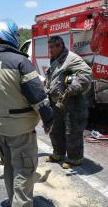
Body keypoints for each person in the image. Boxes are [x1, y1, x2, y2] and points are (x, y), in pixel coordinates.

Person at [0, 20, 54, 207]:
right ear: (9, 36)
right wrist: (49, 120)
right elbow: (38, 97)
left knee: (10, 167)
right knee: (24, 171)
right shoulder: (21, 62)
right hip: (20, 129)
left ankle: (14, 202)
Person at [45, 35, 92, 169]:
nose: (50, 50)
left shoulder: (72, 58)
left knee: (72, 130)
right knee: (56, 129)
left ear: (60, 46)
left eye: (52, 47)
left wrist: (74, 87)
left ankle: (75, 159)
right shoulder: (55, 58)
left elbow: (87, 72)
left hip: (71, 101)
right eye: (49, 47)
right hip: (57, 101)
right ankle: (58, 154)